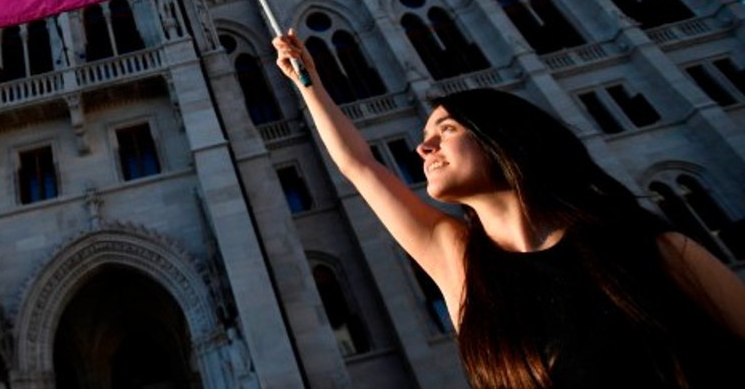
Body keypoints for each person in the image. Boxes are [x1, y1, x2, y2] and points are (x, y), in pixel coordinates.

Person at [273, 30, 745, 388]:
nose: (424, 146)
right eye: (426, 135)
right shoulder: (458, 262)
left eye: (447, 129)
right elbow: (361, 167)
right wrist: (306, 80)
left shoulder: (654, 250)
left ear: (503, 139)